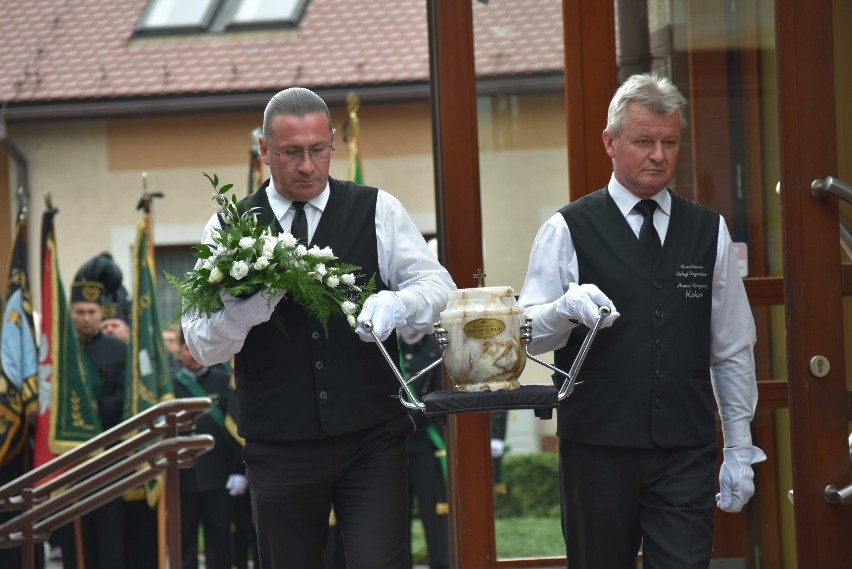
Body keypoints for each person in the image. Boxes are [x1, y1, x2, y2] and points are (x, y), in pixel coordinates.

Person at [182, 86, 456, 569]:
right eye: (291, 153)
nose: (307, 166)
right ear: (265, 151)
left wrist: (398, 303)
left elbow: (440, 289)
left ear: (333, 143)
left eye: (318, 150)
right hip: (279, 443)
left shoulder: (377, 209)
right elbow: (198, 343)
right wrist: (239, 318)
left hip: (371, 434)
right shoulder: (229, 225)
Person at [517, 72, 766, 569]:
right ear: (610, 143)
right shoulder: (567, 228)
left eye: (670, 142)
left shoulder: (707, 229)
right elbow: (526, 335)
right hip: (596, 447)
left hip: (684, 446)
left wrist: (740, 446)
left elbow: (732, 346)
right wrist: (563, 309)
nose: (659, 155)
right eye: (644, 141)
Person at [56, 279, 157, 569]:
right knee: (74, 535)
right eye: (79, 312)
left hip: (109, 455)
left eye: (91, 311)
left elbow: (126, 398)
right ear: (71, 313)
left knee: (110, 534)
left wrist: (90, 411)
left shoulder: (118, 349)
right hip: (69, 456)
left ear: (101, 313)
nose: (86, 318)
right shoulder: (63, 351)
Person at [174, 330, 247, 569]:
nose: (192, 354)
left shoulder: (223, 380)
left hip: (220, 478)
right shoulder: (170, 384)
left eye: (196, 348)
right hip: (183, 478)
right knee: (185, 542)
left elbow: (236, 428)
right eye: (187, 348)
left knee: (220, 542)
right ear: (178, 350)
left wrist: (238, 470)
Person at [401, 331, 449, 569]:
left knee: (436, 514)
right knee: (396, 517)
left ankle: (441, 563)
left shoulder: (438, 348)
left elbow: (442, 394)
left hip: (427, 444)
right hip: (394, 446)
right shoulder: (391, 347)